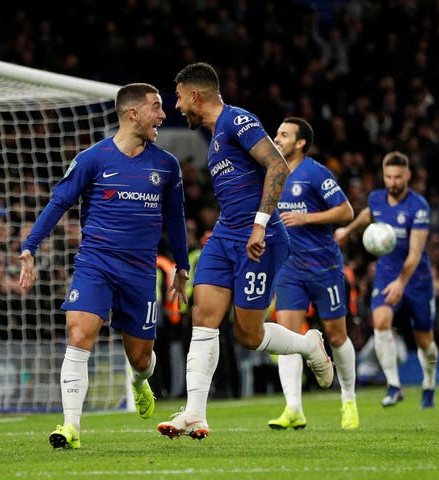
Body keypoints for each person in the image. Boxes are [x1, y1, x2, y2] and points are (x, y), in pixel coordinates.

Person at [156, 62, 333, 441]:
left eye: (180, 98)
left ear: (195, 94)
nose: (177, 107)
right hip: (224, 236)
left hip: (261, 238)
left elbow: (277, 165)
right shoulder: (214, 136)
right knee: (202, 314)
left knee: (247, 335)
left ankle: (309, 345)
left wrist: (260, 224)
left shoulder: (237, 121)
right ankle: (195, 414)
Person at [19, 83, 190, 449]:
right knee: (79, 335)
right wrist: (30, 246)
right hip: (95, 264)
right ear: (133, 113)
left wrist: (181, 265)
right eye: (156, 108)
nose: (162, 115)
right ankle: (71, 427)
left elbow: (175, 218)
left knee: (140, 358)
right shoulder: (92, 159)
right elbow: (58, 203)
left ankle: (141, 382)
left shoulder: (166, 165)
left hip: (140, 272)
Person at [268, 117, 358, 430]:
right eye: (277, 133)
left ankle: (349, 400)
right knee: (288, 338)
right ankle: (293, 408)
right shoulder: (273, 174)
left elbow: (346, 212)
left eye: (284, 134)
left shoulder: (316, 173)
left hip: (324, 266)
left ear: (301, 142)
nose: (276, 138)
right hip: (289, 268)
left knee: (337, 335)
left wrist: (308, 219)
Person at [335, 151, 438, 408]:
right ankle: (394, 386)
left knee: (424, 339)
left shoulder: (419, 207)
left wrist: (402, 282)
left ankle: (429, 383)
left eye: (398, 177)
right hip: (386, 272)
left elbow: (415, 253)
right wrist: (347, 230)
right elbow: (368, 214)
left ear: (408, 176)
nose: (393, 182)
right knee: (380, 322)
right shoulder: (377, 199)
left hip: (416, 277)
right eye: (388, 177)